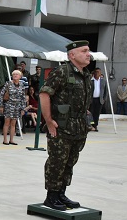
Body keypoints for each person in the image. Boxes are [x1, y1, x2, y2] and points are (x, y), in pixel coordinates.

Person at [39, 40, 93, 210]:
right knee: (57, 162)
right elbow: (44, 94)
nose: (88, 54)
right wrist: (48, 121)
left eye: (88, 51)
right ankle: (51, 196)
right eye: (84, 51)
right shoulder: (62, 71)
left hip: (78, 127)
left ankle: (61, 193)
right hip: (61, 126)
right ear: (72, 55)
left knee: (70, 162)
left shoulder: (86, 75)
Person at [0, 69, 27, 145]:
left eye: (17, 74)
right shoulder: (8, 84)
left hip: (17, 106)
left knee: (13, 123)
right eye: (14, 74)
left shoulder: (21, 85)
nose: (15, 76)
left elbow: (23, 97)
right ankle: (5, 139)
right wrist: (1, 105)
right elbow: (1, 95)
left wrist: (23, 108)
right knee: (7, 122)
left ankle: (11, 139)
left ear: (20, 76)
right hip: (8, 105)